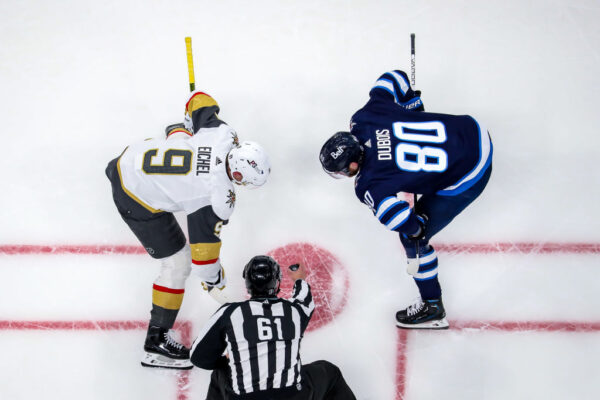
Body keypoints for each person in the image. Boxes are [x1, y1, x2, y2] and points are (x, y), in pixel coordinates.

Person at [105, 91, 271, 369]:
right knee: (177, 263)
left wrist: (188, 123)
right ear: (239, 175)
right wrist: (215, 280)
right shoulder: (216, 198)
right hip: (131, 192)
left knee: (186, 141)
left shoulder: (223, 134)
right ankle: (156, 343)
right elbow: (203, 259)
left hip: (131, 156)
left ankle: (177, 135)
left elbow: (200, 99)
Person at [319, 70, 493, 329]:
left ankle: (432, 306)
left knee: (413, 240)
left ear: (353, 164)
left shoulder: (368, 183)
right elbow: (392, 78)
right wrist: (412, 105)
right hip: (472, 130)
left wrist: (416, 227)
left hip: (471, 172)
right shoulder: (365, 118)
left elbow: (396, 217)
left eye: (344, 171)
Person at [190, 255, 357, 399]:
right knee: (329, 372)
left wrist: (226, 360)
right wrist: (299, 279)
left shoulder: (230, 313)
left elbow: (198, 357)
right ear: (277, 283)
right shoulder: (293, 312)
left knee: (220, 372)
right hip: (294, 397)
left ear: (247, 283)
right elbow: (305, 301)